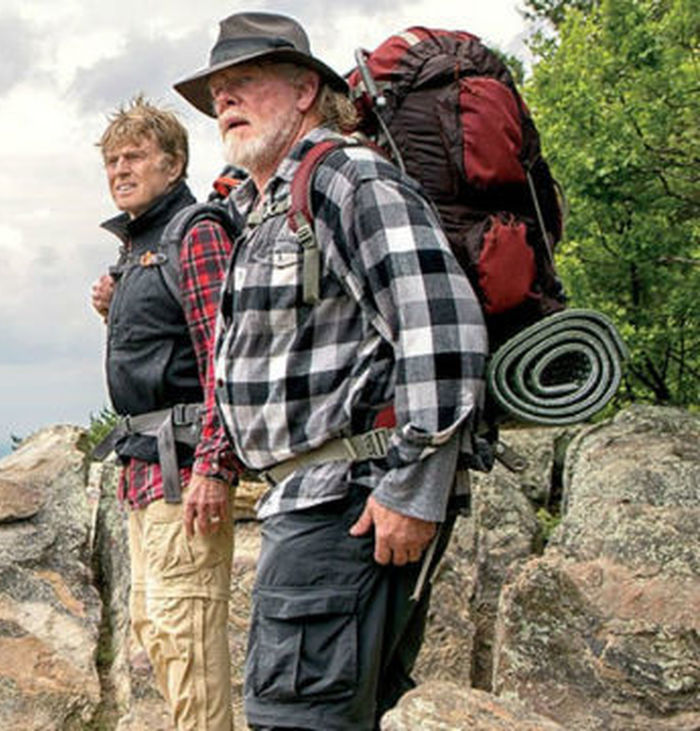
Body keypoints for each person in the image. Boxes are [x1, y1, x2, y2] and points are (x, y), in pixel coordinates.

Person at [172, 13, 488, 731]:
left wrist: (415, 487)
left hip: (348, 504)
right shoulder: (263, 206)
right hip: (313, 503)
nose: (225, 101)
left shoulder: (347, 177)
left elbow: (441, 329)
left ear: (306, 90)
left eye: (245, 81)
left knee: (296, 716)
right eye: (218, 92)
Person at [89, 95, 241, 731]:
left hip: (184, 469)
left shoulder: (195, 233)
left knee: (186, 635)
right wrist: (116, 304)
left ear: (174, 164)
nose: (121, 170)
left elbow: (222, 357)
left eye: (136, 156)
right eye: (112, 161)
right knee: (157, 626)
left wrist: (215, 466)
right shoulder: (141, 246)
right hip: (145, 467)